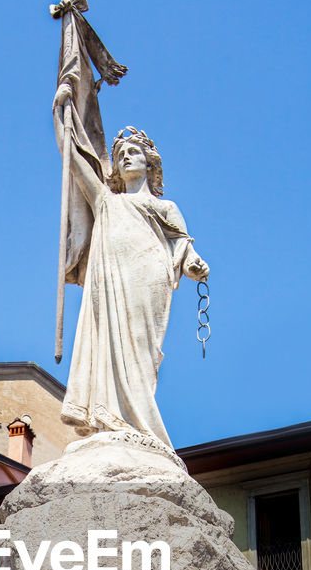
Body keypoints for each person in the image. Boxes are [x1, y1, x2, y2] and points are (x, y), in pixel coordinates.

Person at [54, 83, 209, 447]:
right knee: (107, 341)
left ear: (149, 162)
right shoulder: (106, 200)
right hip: (110, 282)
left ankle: (138, 422)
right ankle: (113, 419)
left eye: (134, 151)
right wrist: (62, 117)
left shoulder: (166, 207)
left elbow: (182, 245)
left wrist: (194, 263)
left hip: (148, 279)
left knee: (141, 348)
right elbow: (74, 163)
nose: (126, 157)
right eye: (120, 153)